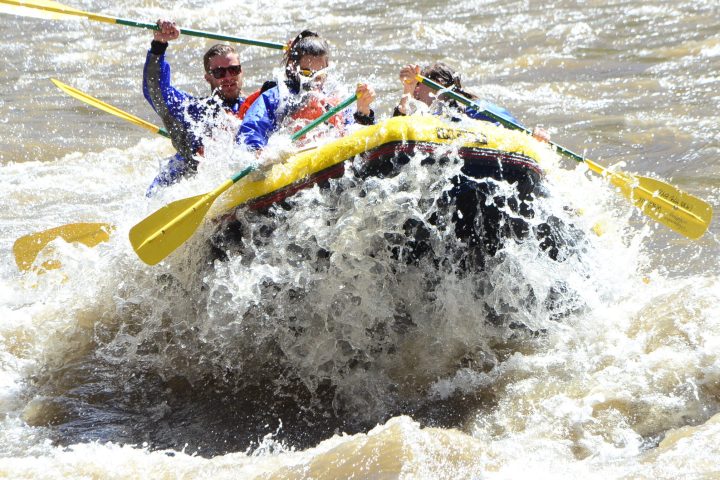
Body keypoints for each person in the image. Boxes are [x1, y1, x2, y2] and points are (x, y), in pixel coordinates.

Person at [143, 19, 248, 195]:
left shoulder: (257, 103)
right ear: (208, 77)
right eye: (219, 72)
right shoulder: (193, 111)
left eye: (233, 70)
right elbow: (156, 90)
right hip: (183, 181)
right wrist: (159, 45)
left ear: (241, 71)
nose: (228, 77)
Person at [237, 30, 376, 155]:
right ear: (293, 67)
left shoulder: (334, 97)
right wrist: (263, 154)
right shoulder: (276, 97)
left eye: (319, 75)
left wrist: (363, 111)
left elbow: (356, 133)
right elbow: (250, 133)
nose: (313, 81)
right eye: (306, 73)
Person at [394, 63, 549, 141]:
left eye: (418, 85)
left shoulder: (476, 109)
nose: (415, 91)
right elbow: (398, 132)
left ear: (439, 84)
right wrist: (407, 89)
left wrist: (536, 136)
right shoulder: (426, 114)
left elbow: (520, 132)